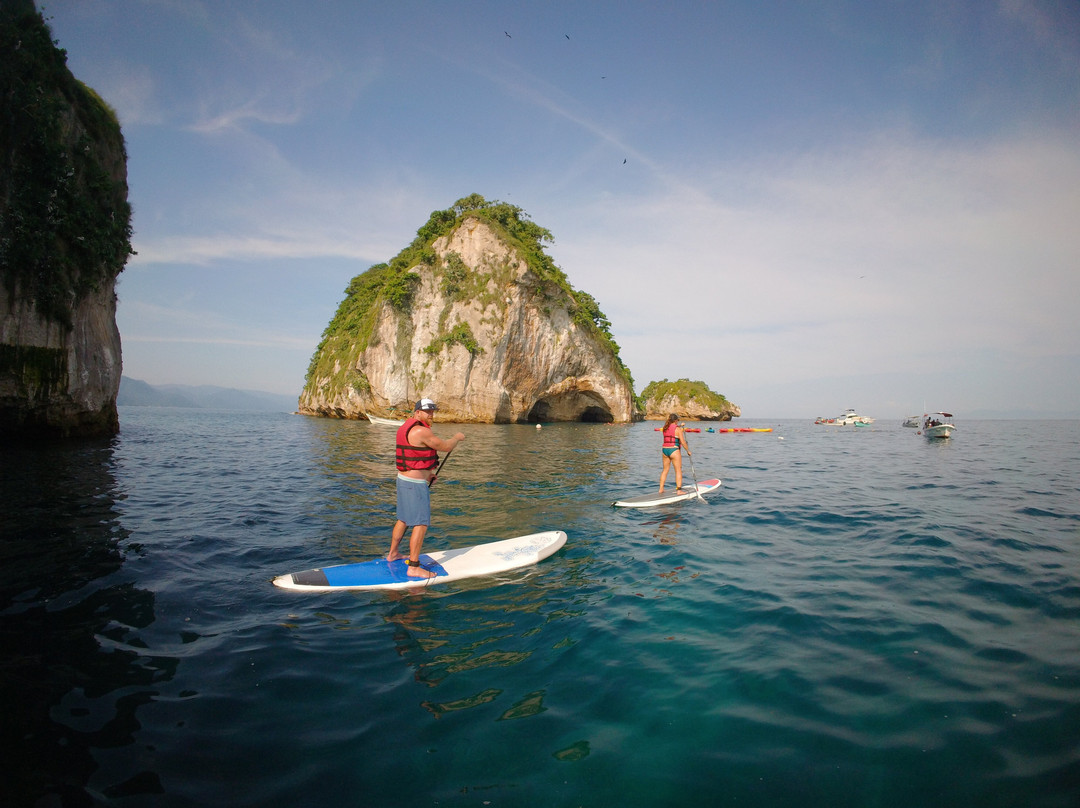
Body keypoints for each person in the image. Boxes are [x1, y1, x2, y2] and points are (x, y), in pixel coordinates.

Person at [387, 398, 465, 578]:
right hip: (414, 486)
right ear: (417, 413)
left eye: (432, 411)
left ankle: (393, 554)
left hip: (403, 480)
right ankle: (413, 567)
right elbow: (445, 447)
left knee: (403, 519)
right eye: (427, 411)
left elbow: (413, 455)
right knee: (421, 524)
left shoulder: (405, 428)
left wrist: (427, 474)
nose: (431, 414)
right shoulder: (421, 431)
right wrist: (457, 438)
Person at [658, 412, 691, 494]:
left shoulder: (665, 428)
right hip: (674, 450)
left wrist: (680, 426)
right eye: (678, 420)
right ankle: (679, 490)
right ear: (676, 420)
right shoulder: (678, 429)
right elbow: (683, 442)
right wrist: (688, 451)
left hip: (665, 450)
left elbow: (672, 429)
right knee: (678, 470)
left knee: (665, 470)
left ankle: (661, 489)